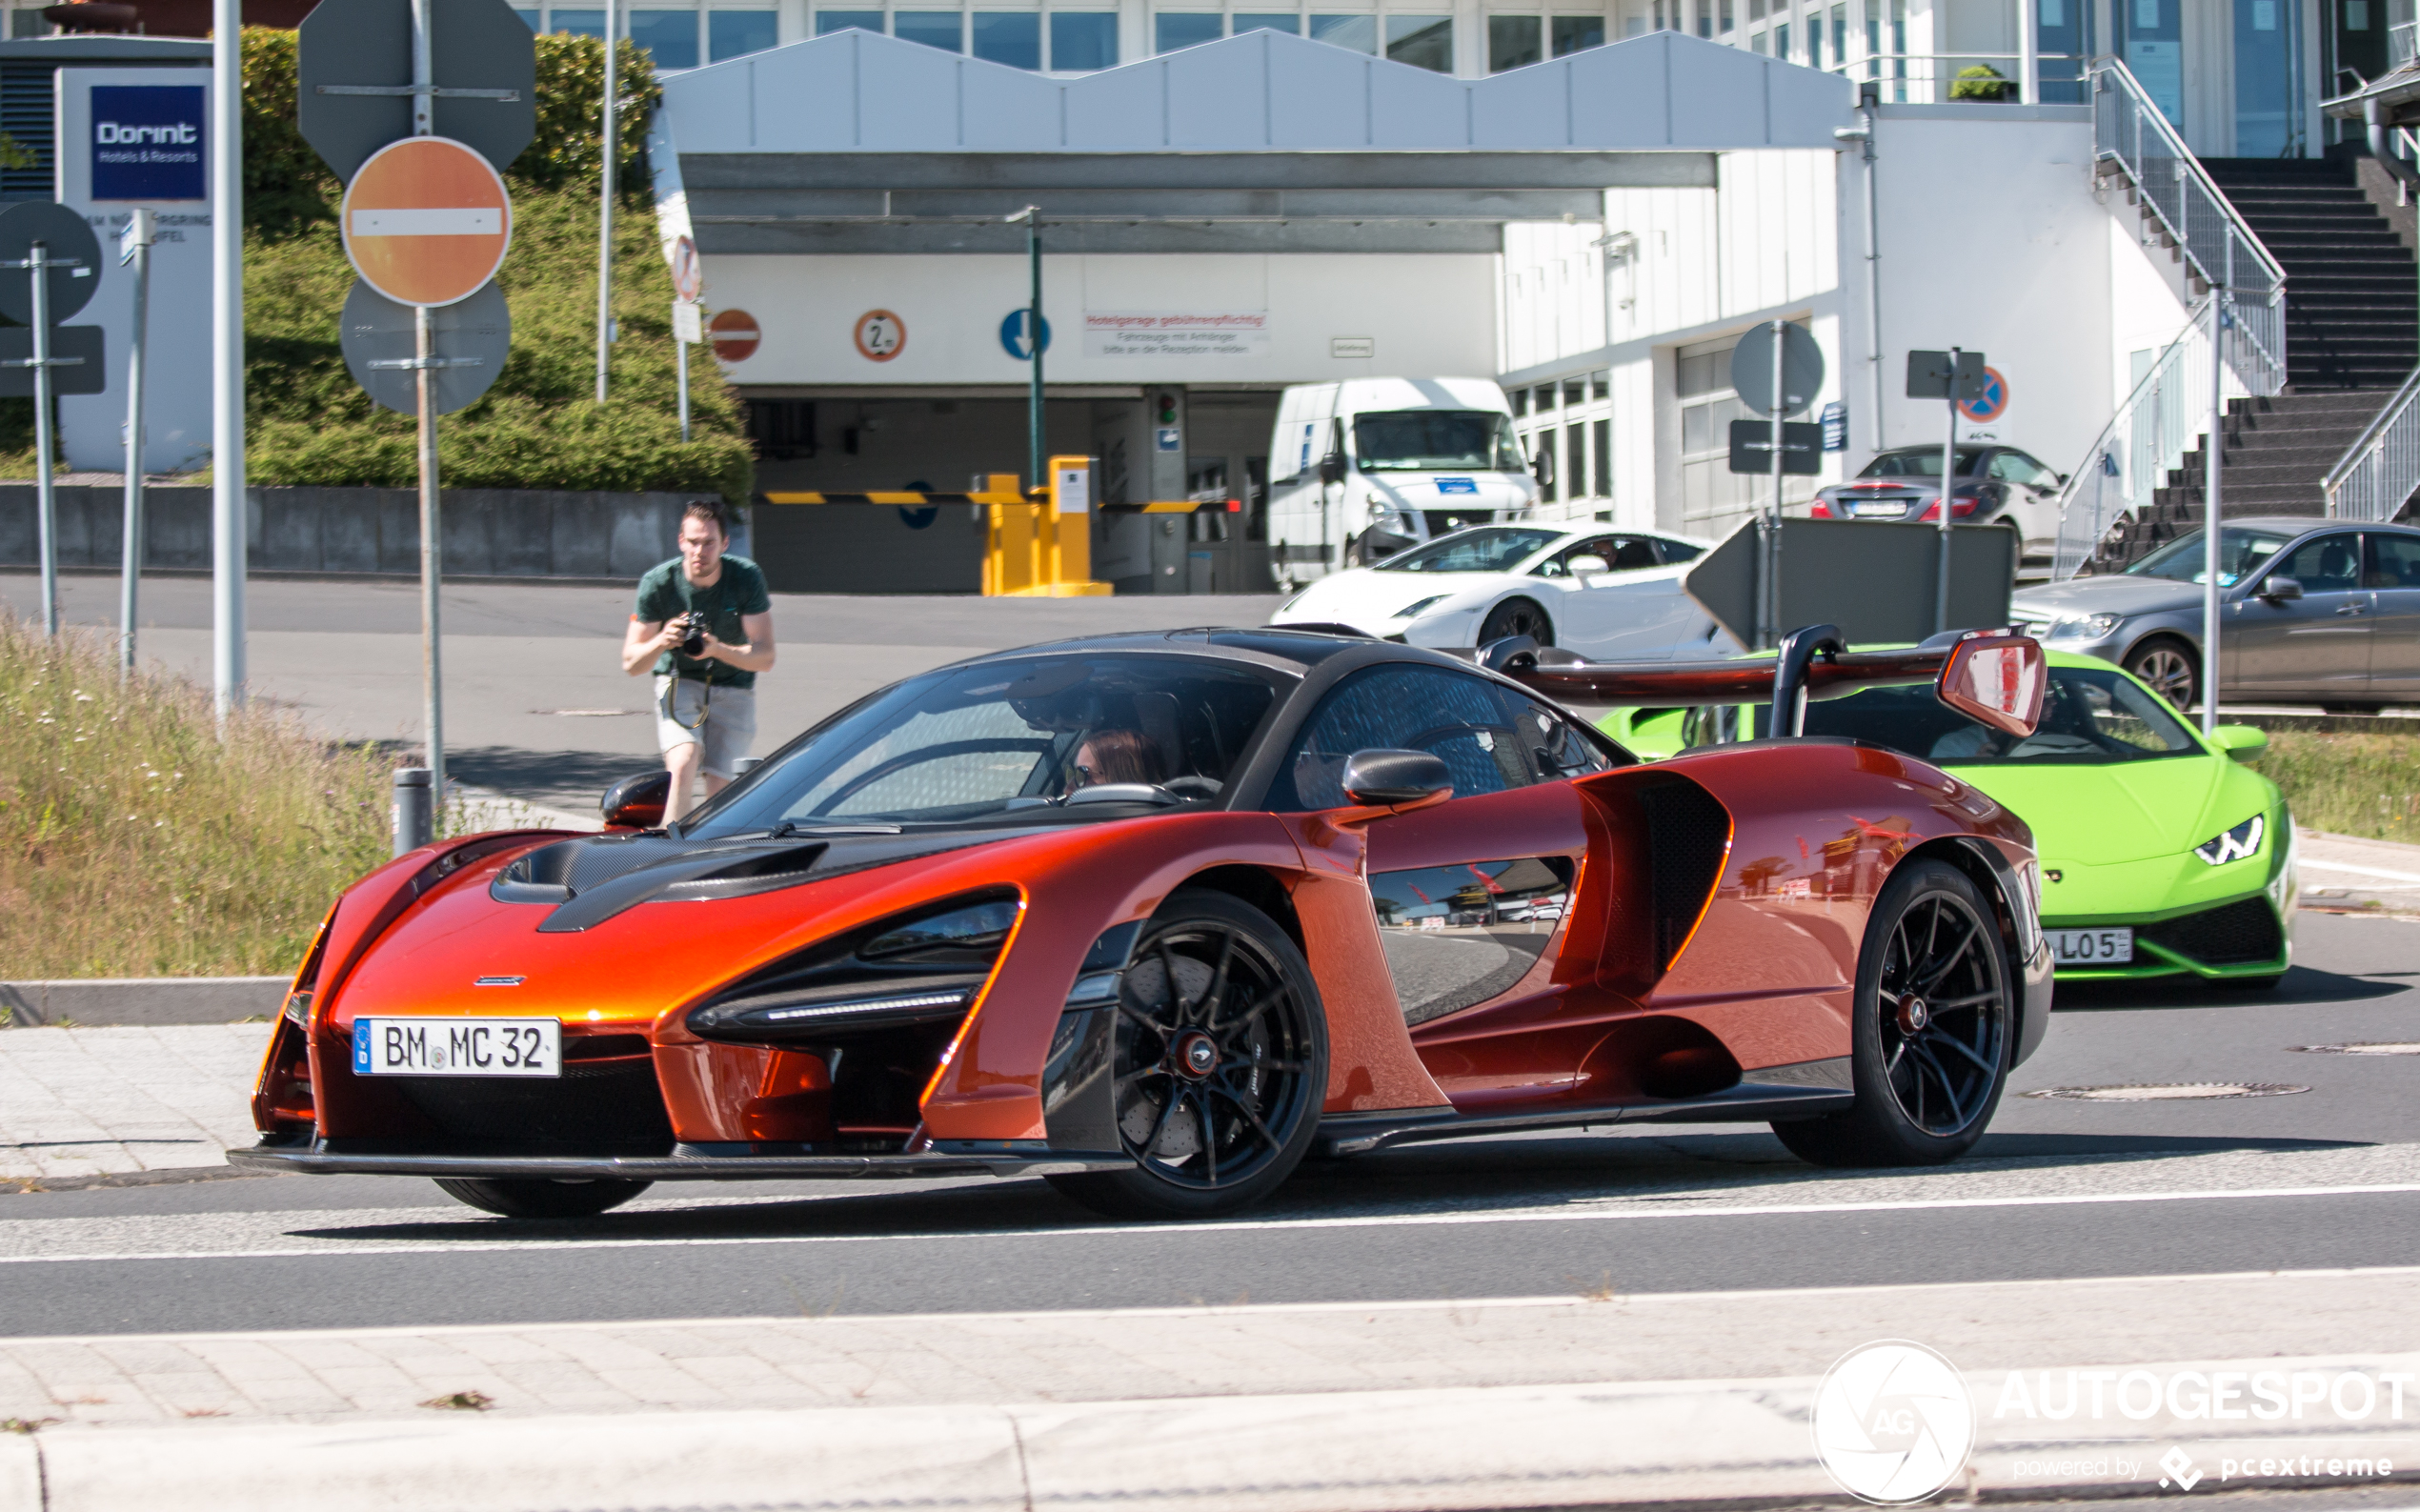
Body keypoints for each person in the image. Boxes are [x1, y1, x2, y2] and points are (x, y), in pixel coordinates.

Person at [622, 500, 776, 820]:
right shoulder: (659, 582)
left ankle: (709, 854)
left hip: (735, 684)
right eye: (693, 542)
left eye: (709, 543)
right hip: (678, 680)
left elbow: (765, 657)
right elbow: (631, 663)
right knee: (683, 760)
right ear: (681, 541)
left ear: (724, 544)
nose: (700, 552)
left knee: (722, 784)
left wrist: (718, 649)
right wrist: (663, 640)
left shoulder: (745, 577)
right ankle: (670, 842)